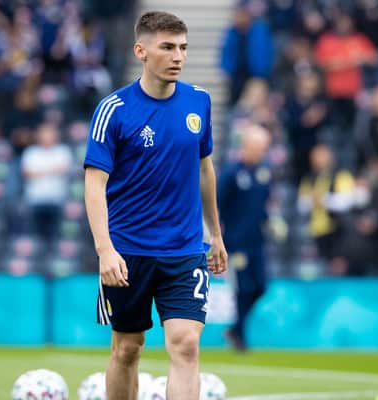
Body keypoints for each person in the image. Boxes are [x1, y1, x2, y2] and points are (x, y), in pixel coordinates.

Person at [83, 11, 227, 400]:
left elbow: (204, 169)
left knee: (186, 344)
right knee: (127, 349)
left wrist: (215, 232)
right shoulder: (113, 110)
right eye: (167, 47)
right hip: (128, 252)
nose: (178, 56)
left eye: (182, 47)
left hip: (184, 250)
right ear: (141, 51)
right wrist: (105, 250)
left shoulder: (200, 101)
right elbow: (94, 184)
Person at [218, 123, 271, 351]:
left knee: (260, 286)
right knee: (243, 289)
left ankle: (236, 328)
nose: (262, 152)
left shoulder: (263, 172)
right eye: (259, 147)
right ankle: (239, 337)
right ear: (246, 146)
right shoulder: (231, 173)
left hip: (256, 241)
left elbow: (261, 205)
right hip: (237, 243)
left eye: (264, 147)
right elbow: (217, 203)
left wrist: (270, 220)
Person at [22, 123, 72, 243]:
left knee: (56, 237)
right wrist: (52, 170)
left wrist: (39, 172)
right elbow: (27, 173)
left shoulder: (63, 151)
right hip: (35, 199)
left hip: (57, 199)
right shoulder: (31, 152)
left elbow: (64, 170)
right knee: (36, 237)